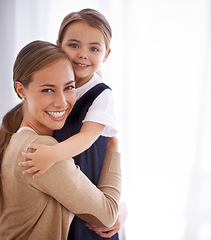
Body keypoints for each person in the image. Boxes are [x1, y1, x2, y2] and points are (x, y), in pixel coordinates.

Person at [20, 9, 127, 239]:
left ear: (106, 55)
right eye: (74, 45)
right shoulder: (43, 86)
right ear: (58, 45)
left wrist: (51, 155)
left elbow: (87, 137)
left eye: (94, 48)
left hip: (88, 189)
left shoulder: (101, 94)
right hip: (62, 194)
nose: (83, 55)